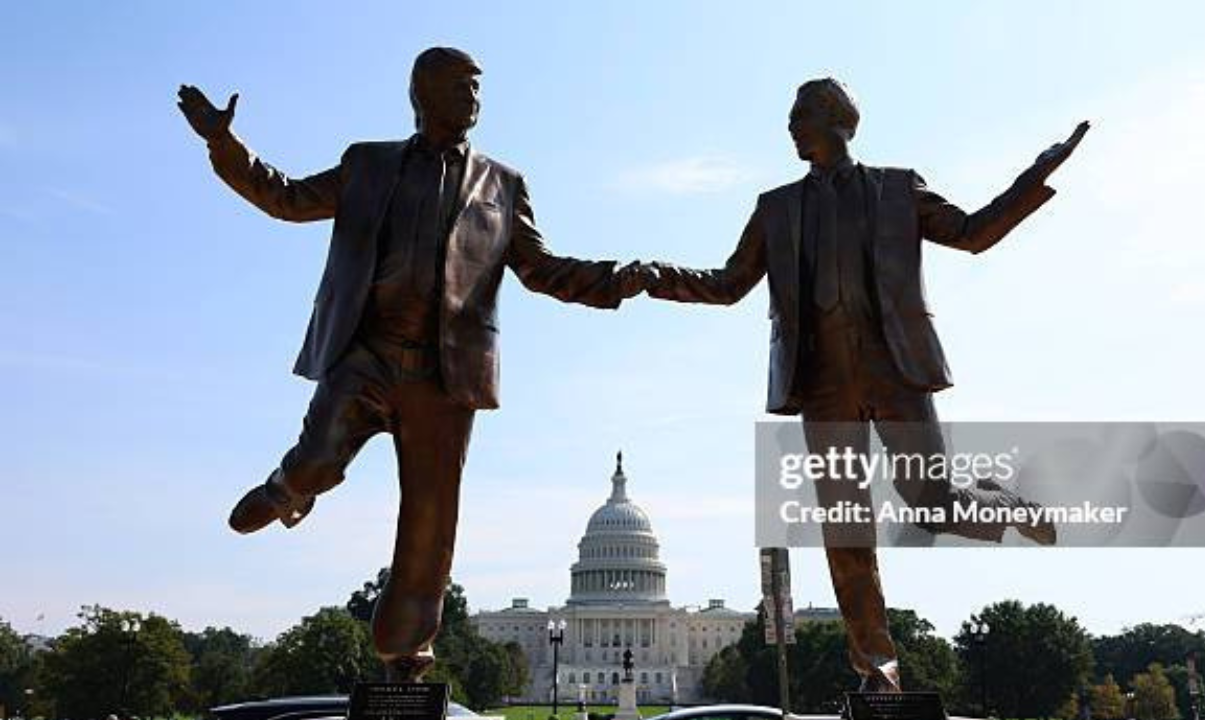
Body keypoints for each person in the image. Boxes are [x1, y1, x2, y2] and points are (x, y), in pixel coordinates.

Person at [177, 46, 651, 681]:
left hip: (445, 373)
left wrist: (616, 281)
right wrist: (225, 144)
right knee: (321, 453)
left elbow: (541, 269)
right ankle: (290, 489)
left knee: (429, 518)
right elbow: (284, 197)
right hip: (367, 352)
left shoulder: (503, 185)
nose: (474, 98)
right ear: (422, 94)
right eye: (462, 86)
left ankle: (406, 648)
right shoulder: (367, 164)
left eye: (478, 88)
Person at [642, 78, 1089, 690]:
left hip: (896, 370)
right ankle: (880, 670)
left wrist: (1032, 178)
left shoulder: (897, 189)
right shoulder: (776, 208)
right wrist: (655, 277)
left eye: (801, 117)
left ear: (839, 121)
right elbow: (727, 285)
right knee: (846, 530)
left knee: (932, 506)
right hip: (822, 385)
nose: (791, 129)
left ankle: (1005, 505)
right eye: (791, 119)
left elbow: (973, 233)